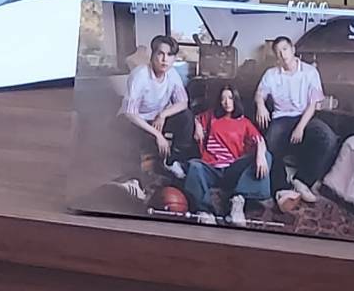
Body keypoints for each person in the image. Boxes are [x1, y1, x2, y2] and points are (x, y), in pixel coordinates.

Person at [255, 35, 339, 203]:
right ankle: (281, 189)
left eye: (285, 49)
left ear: (293, 50)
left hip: (304, 117)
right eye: (278, 52)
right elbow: (259, 93)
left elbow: (313, 104)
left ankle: (302, 181)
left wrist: (300, 127)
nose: (283, 54)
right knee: (270, 142)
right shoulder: (271, 74)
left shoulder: (310, 72)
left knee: (328, 138)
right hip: (281, 117)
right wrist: (260, 105)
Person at [184, 86, 271, 226]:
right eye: (223, 99)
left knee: (266, 156)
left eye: (230, 98)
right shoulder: (212, 116)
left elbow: (260, 140)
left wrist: (260, 155)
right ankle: (204, 211)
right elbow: (196, 118)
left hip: (232, 169)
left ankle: (237, 201)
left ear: (236, 100)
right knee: (194, 166)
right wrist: (198, 126)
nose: (227, 102)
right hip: (211, 168)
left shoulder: (244, 122)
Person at [120, 35, 193, 164]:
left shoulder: (172, 73)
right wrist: (157, 134)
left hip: (156, 119)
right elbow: (130, 113)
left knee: (186, 117)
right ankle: (134, 173)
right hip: (136, 120)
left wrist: (163, 115)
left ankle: (175, 161)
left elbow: (183, 103)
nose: (165, 59)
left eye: (169, 55)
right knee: (133, 136)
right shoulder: (140, 75)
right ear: (153, 55)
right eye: (161, 54)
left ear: (174, 58)